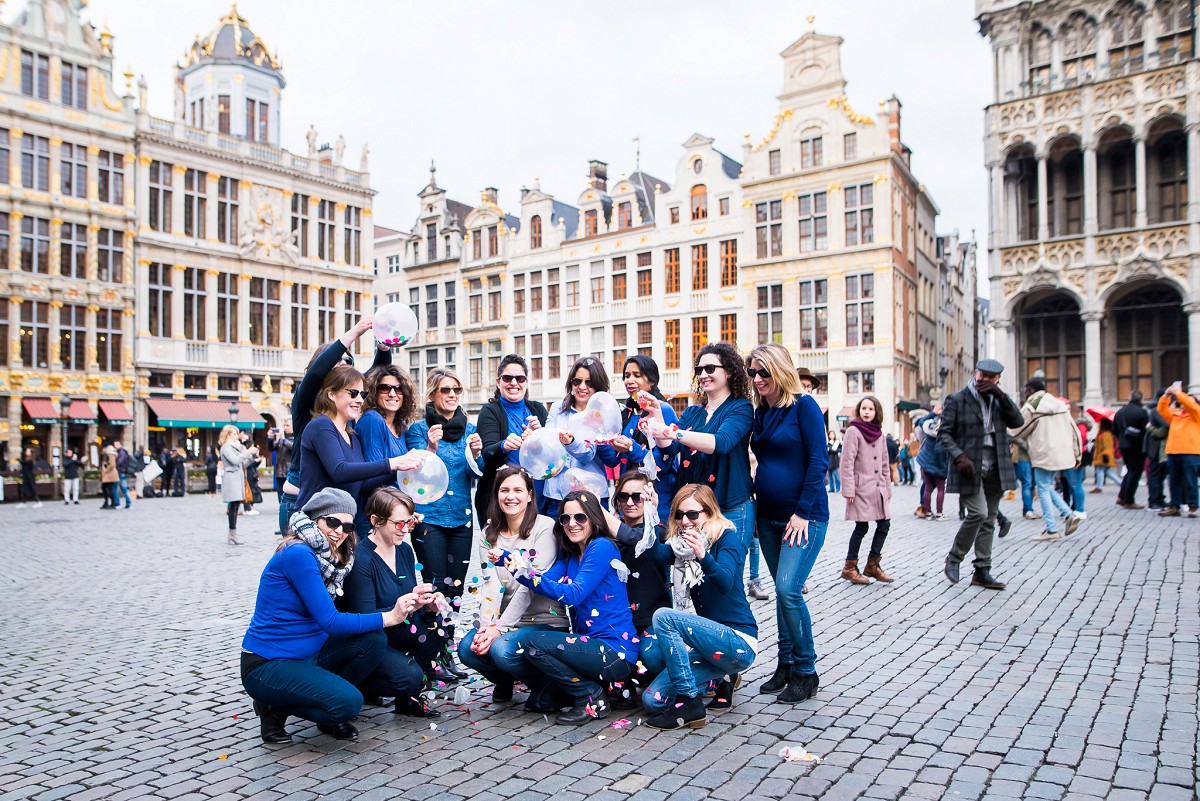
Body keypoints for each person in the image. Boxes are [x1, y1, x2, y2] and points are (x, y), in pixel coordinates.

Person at [241, 488, 411, 744]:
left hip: (310, 653)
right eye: (332, 522)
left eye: (347, 525)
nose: (339, 531)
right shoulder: (298, 553)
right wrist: (389, 617)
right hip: (268, 662)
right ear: (315, 519)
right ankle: (272, 707)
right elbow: (329, 620)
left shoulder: (330, 556)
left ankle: (323, 707)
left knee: (373, 641)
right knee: (349, 703)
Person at [637, 484, 758, 730]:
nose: (684, 521)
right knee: (652, 700)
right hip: (709, 647)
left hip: (738, 642)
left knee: (664, 618)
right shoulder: (682, 546)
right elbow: (656, 555)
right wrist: (651, 513)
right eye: (679, 515)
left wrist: (703, 555)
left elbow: (725, 582)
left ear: (709, 512)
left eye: (692, 514)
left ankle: (691, 702)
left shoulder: (726, 537)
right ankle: (718, 680)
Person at [510, 490, 636, 724]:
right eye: (565, 518)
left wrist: (524, 573)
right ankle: (596, 690)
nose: (571, 523)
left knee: (532, 644)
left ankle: (591, 697)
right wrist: (511, 561)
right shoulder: (570, 555)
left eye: (580, 517)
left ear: (593, 518)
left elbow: (574, 594)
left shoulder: (602, 547)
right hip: (589, 648)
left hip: (613, 652)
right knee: (541, 702)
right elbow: (543, 580)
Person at [747, 344, 828, 703]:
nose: (757, 379)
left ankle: (806, 670)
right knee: (782, 596)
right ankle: (784, 664)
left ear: (780, 370)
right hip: (767, 517)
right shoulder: (761, 411)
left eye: (763, 372)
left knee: (787, 589)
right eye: (752, 372)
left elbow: (818, 461)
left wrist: (802, 512)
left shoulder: (804, 406)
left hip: (803, 518)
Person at [644, 342, 757, 597]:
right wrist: (658, 420)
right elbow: (669, 449)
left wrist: (674, 432)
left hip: (730, 505)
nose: (703, 374)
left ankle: (736, 634)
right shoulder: (694, 412)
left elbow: (721, 442)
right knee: (697, 581)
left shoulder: (740, 407)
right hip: (695, 511)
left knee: (728, 580)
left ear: (728, 371)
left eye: (710, 368)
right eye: (699, 369)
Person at [280, 318, 396, 552]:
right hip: (305, 500)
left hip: (339, 507)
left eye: (349, 361)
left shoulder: (348, 422)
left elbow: (374, 373)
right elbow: (339, 470)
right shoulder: (308, 406)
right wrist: (355, 332)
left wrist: (384, 344)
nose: (344, 364)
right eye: (337, 360)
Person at [460, 465, 566, 702]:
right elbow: (491, 584)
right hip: (507, 623)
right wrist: (487, 627)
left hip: (544, 621)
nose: (510, 496)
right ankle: (504, 679)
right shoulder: (489, 532)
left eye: (518, 490)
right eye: (504, 490)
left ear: (530, 495)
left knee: (501, 649)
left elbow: (529, 587)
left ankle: (546, 683)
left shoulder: (545, 528)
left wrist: (499, 629)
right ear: (496, 494)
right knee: (468, 647)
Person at [405, 367, 484, 681]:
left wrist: (479, 455)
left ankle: (447, 649)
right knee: (435, 587)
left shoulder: (470, 429)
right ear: (433, 395)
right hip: (430, 519)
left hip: (461, 518)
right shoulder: (418, 429)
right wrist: (430, 448)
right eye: (445, 390)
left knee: (456, 587)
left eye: (457, 390)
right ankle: (431, 654)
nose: (452, 395)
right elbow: (411, 474)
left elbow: (477, 475)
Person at [341, 487, 448, 717]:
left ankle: (409, 698)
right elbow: (364, 616)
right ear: (376, 521)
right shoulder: (361, 559)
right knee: (409, 677)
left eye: (409, 523)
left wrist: (424, 604)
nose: (405, 530)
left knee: (437, 626)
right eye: (398, 524)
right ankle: (360, 686)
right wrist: (398, 609)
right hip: (371, 640)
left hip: (398, 631)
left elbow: (407, 598)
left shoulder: (405, 550)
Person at [295, 364, 418, 529]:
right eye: (353, 393)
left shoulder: (351, 435)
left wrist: (403, 470)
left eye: (363, 394)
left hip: (342, 525)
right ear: (331, 393)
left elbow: (364, 484)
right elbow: (339, 471)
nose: (360, 399)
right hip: (316, 522)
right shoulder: (321, 425)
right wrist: (392, 463)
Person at [938, 359, 1024, 591]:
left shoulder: (999, 401)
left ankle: (982, 570)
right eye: (981, 375)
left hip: (997, 466)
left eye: (991, 378)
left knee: (989, 519)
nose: (984, 381)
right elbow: (944, 435)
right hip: (969, 467)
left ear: (997, 379)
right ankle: (954, 558)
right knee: (978, 513)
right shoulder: (957, 400)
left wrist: (1002, 395)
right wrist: (959, 456)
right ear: (975, 373)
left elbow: (1018, 421)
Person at [601, 470, 672, 703]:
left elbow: (637, 538)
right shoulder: (609, 534)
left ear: (649, 499)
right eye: (623, 496)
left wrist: (598, 510)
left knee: (650, 657)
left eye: (637, 497)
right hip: (619, 622)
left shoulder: (658, 531)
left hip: (651, 621)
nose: (629, 502)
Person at [474, 354, 548, 523]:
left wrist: (540, 437)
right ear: (498, 381)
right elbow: (485, 454)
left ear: (526, 383)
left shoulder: (538, 409)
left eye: (520, 378)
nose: (514, 383)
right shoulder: (490, 411)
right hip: (501, 501)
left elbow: (554, 455)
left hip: (536, 498)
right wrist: (503, 446)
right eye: (508, 378)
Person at [605, 355, 680, 520]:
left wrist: (631, 447)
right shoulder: (625, 414)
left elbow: (662, 462)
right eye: (626, 376)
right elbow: (613, 461)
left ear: (652, 381)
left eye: (636, 375)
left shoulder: (662, 410)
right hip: (629, 502)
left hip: (657, 501)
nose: (629, 380)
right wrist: (600, 439)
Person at [1009, 380, 1083, 542]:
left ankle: (1052, 529)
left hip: (1043, 452)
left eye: (1026, 389)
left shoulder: (1032, 406)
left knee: (1042, 488)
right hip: (1061, 452)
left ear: (1031, 390)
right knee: (1045, 486)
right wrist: (1078, 454)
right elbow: (1074, 430)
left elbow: (1016, 429)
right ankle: (1068, 514)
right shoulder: (1059, 404)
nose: (1024, 392)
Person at [544, 357, 617, 518]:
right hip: (557, 495)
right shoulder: (557, 408)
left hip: (592, 495)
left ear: (598, 387)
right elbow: (549, 444)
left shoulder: (601, 414)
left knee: (591, 543)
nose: (582, 387)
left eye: (589, 383)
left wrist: (570, 442)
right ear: (571, 383)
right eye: (577, 381)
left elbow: (587, 455)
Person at [356, 364, 420, 535]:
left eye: (398, 389)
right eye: (385, 388)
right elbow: (371, 482)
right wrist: (401, 466)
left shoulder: (402, 427)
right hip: (371, 519)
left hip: (392, 516)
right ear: (374, 392)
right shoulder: (372, 419)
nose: (392, 393)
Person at [838, 396, 893, 584]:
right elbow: (846, 462)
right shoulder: (853, 431)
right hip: (861, 488)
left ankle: (872, 564)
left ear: (876, 411)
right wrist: (849, 490)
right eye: (864, 408)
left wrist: (887, 488)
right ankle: (850, 567)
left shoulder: (880, 434)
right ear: (859, 411)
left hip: (877, 489)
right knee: (861, 526)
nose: (867, 412)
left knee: (884, 524)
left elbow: (885, 463)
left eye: (870, 409)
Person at [1157, 383, 1200, 517]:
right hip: (1173, 451)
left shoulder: (1196, 415)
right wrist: (1166, 396)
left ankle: (1193, 506)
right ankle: (1174, 505)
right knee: (1174, 481)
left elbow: (1192, 406)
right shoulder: (1176, 416)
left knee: (1190, 480)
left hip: (1190, 452)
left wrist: (1180, 394)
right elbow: (1162, 410)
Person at [220, 425, 260, 545]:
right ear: (228, 435)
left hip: (238, 478)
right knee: (233, 506)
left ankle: (233, 534)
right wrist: (247, 452)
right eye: (234, 434)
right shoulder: (226, 447)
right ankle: (232, 534)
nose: (237, 436)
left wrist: (253, 457)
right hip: (231, 479)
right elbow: (235, 460)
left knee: (236, 506)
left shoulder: (236, 447)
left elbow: (243, 463)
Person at [1114, 390, 1150, 509]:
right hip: (1137, 446)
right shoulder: (1142, 412)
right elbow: (1146, 431)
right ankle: (1129, 500)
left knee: (1130, 471)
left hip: (1123, 445)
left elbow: (1114, 430)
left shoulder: (1120, 412)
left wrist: (1122, 438)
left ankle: (1121, 496)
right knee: (1135, 472)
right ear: (1141, 399)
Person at [917, 407, 948, 520]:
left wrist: (933, 413)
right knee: (940, 488)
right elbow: (940, 451)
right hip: (939, 463)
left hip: (926, 462)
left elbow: (921, 421)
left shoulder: (929, 425)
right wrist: (944, 467)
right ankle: (939, 513)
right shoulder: (946, 430)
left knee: (928, 488)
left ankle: (928, 512)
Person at [1145, 394, 1169, 510]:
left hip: (1158, 449)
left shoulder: (1155, 410)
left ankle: (1159, 499)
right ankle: (1154, 500)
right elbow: (1164, 429)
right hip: (1156, 449)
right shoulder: (1157, 410)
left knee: (1160, 475)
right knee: (1155, 475)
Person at [271, 419, 294, 533]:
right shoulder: (281, 439)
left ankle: (290, 525)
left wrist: (283, 439)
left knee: (289, 501)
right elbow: (271, 448)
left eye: (287, 425)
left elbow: (293, 448)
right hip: (279, 473)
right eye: (284, 425)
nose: (285, 427)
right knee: (281, 500)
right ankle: (283, 525)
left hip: (288, 473)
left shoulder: (294, 438)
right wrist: (271, 438)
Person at [1091, 418, 1116, 492]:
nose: (1098, 424)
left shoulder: (1106, 434)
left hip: (1103, 455)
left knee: (1100, 471)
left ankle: (1099, 487)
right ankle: (1122, 484)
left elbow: (1107, 446)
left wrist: (1105, 455)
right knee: (1107, 472)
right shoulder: (1102, 433)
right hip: (1101, 455)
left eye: (1100, 422)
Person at [100, 440, 119, 510]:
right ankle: (106, 503)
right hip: (108, 474)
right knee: (104, 488)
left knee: (109, 489)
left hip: (110, 474)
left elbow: (112, 464)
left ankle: (113, 503)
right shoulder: (107, 452)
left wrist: (105, 471)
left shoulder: (111, 453)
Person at [113, 441, 132, 508]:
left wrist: (114, 465)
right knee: (122, 488)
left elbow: (120, 461)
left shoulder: (121, 452)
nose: (115, 446)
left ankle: (120, 503)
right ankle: (127, 503)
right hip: (120, 472)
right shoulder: (120, 452)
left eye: (117, 444)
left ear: (120, 444)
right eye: (115, 444)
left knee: (121, 488)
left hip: (121, 472)